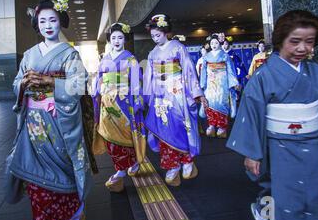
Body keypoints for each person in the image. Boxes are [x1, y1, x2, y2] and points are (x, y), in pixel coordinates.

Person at [227, 10, 318, 220]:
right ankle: (268, 217)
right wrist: (252, 153)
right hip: (279, 144)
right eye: (295, 41)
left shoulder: (317, 72)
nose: (303, 48)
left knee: (314, 190)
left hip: (315, 143)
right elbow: (251, 114)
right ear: (280, 40)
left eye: (309, 42)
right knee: (278, 189)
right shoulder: (264, 76)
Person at [4, 0, 93, 220]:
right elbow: (15, 84)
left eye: (52, 20)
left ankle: (72, 218)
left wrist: (48, 82)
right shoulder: (30, 54)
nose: (48, 25)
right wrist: (23, 82)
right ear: (37, 24)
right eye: (42, 21)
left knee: (63, 170)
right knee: (35, 180)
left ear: (60, 21)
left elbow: (80, 85)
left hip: (58, 121)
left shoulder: (69, 54)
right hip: (33, 123)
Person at [144, 14, 208, 186]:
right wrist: (148, 97)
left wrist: (196, 93)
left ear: (166, 32)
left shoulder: (178, 48)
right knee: (164, 129)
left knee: (180, 127)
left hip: (177, 91)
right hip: (159, 94)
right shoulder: (152, 53)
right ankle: (172, 166)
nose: (155, 39)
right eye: (152, 36)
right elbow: (149, 76)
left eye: (157, 35)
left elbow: (188, 70)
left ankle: (187, 161)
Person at [92, 23, 146, 193]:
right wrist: (97, 89)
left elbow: (137, 81)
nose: (116, 40)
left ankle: (125, 168)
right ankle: (125, 166)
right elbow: (99, 78)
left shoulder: (130, 58)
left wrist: (137, 101)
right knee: (110, 138)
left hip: (124, 101)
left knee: (128, 135)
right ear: (109, 40)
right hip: (107, 103)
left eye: (120, 37)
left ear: (125, 39)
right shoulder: (105, 58)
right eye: (113, 37)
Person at [200, 35, 239, 138]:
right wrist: (202, 84)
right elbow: (203, 71)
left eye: (216, 43)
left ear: (220, 43)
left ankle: (222, 127)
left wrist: (233, 82)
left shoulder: (225, 56)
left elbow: (230, 70)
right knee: (210, 101)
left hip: (222, 82)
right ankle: (211, 125)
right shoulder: (206, 57)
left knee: (222, 101)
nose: (214, 45)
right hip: (210, 82)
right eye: (212, 43)